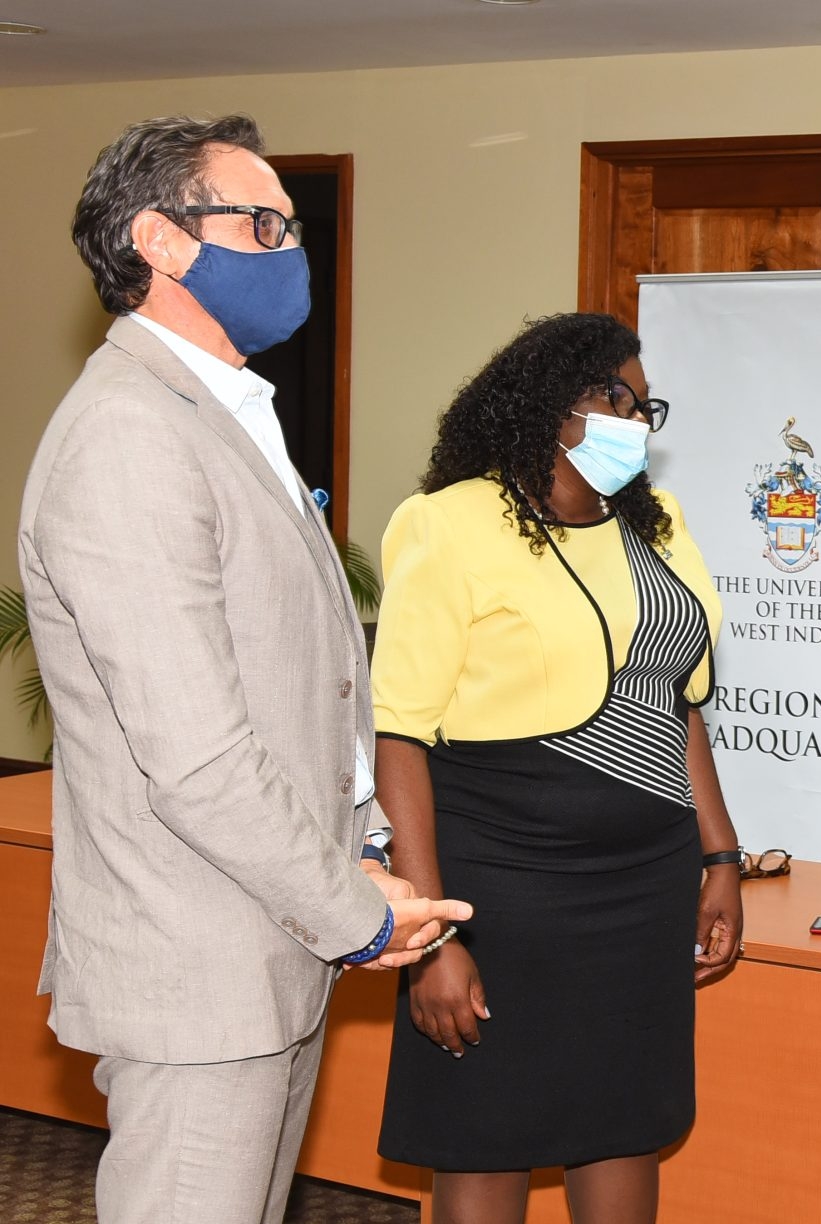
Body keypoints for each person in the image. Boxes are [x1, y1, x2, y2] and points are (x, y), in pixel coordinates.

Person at [18, 114, 471, 1224]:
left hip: (262, 947)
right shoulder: (129, 431)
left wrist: (361, 847)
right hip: (196, 968)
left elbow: (296, 681)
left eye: (292, 226)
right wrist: (349, 911)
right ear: (161, 243)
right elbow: (192, 745)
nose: (288, 249)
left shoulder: (220, 413)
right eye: (262, 223)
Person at [370, 312, 743, 1223]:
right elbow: (399, 737)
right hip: (502, 881)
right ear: (549, 404)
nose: (636, 418)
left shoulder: (658, 526)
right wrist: (431, 939)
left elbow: (676, 705)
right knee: (486, 1127)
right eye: (615, 396)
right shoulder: (448, 524)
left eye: (644, 402)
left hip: (645, 883)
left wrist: (720, 858)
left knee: (622, 1120)